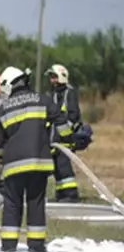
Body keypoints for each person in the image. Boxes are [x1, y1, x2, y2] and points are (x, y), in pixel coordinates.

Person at [0, 66, 70, 252]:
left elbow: (0, 146)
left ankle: (8, 249)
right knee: (36, 203)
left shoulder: (3, 109)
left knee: (12, 205)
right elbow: (61, 122)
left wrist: (3, 159)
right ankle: (36, 248)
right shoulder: (42, 100)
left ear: (8, 86)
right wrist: (70, 140)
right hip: (39, 163)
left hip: (13, 166)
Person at [46, 64, 82, 202]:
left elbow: (73, 116)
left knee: (64, 166)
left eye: (54, 77)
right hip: (55, 138)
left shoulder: (69, 93)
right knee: (57, 168)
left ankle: (71, 195)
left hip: (65, 138)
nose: (52, 81)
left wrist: (66, 136)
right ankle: (61, 193)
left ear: (62, 77)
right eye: (51, 78)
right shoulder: (55, 94)